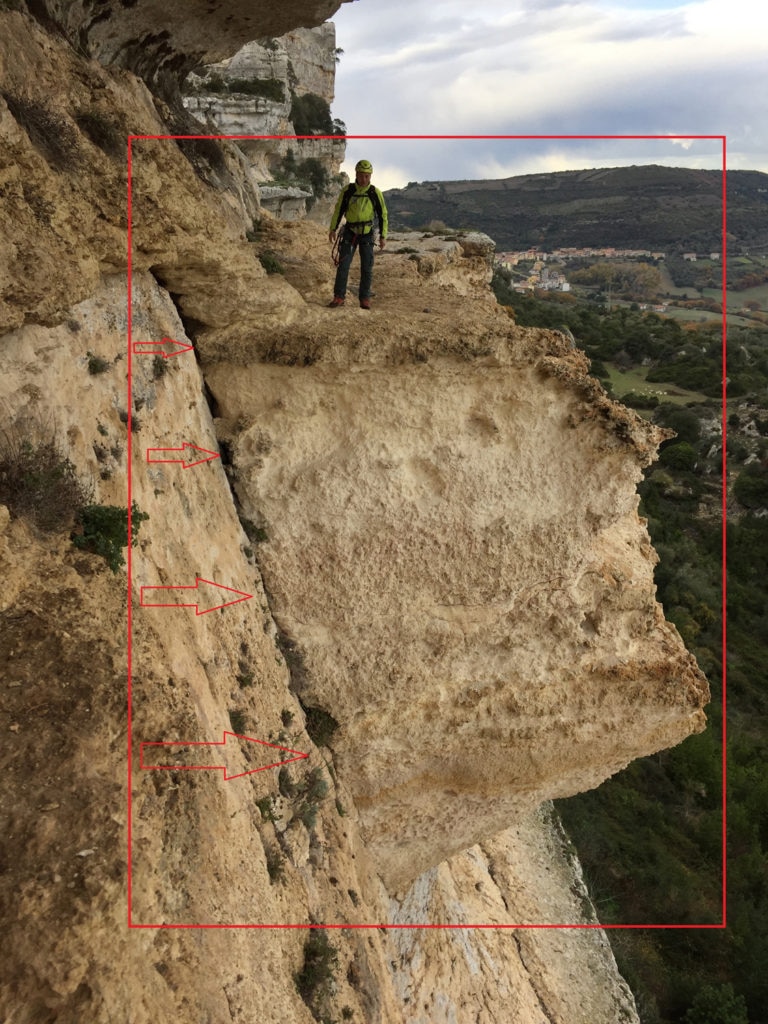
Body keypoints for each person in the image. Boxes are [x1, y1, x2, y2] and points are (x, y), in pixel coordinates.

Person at [328, 159, 388, 309]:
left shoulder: (375, 193)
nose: (364, 179)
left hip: (367, 234)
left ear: (370, 176)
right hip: (349, 231)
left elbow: (383, 215)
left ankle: (364, 299)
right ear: (356, 174)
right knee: (343, 265)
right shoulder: (348, 190)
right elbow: (339, 210)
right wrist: (332, 229)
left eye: (367, 176)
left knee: (367, 267)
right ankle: (338, 297)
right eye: (361, 175)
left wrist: (383, 236)